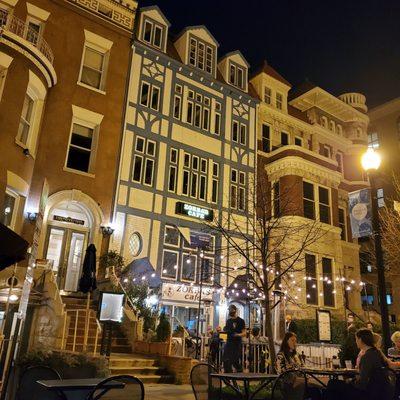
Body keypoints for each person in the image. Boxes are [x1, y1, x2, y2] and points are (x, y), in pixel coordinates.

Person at [325, 328, 391, 400]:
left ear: (360, 340)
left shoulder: (367, 357)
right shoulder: (377, 353)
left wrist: (350, 381)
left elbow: (362, 383)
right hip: (381, 391)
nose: (356, 342)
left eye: (356, 339)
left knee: (332, 384)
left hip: (368, 392)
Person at [223, 304, 246, 373]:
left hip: (236, 343)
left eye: (231, 310)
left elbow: (244, 333)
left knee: (235, 360)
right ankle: (227, 374)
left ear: (235, 310)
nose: (230, 312)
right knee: (226, 359)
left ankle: (239, 372)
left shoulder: (241, 321)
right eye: (229, 310)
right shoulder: (228, 321)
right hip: (229, 342)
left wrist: (238, 335)